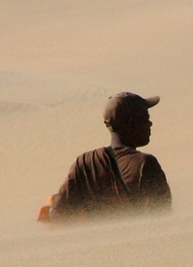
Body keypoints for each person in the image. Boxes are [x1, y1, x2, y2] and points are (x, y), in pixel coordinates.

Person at [39, 91, 171, 222]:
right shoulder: (145, 164)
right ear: (132, 123)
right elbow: (161, 219)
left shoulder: (84, 163)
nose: (150, 123)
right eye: (146, 118)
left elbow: (58, 211)